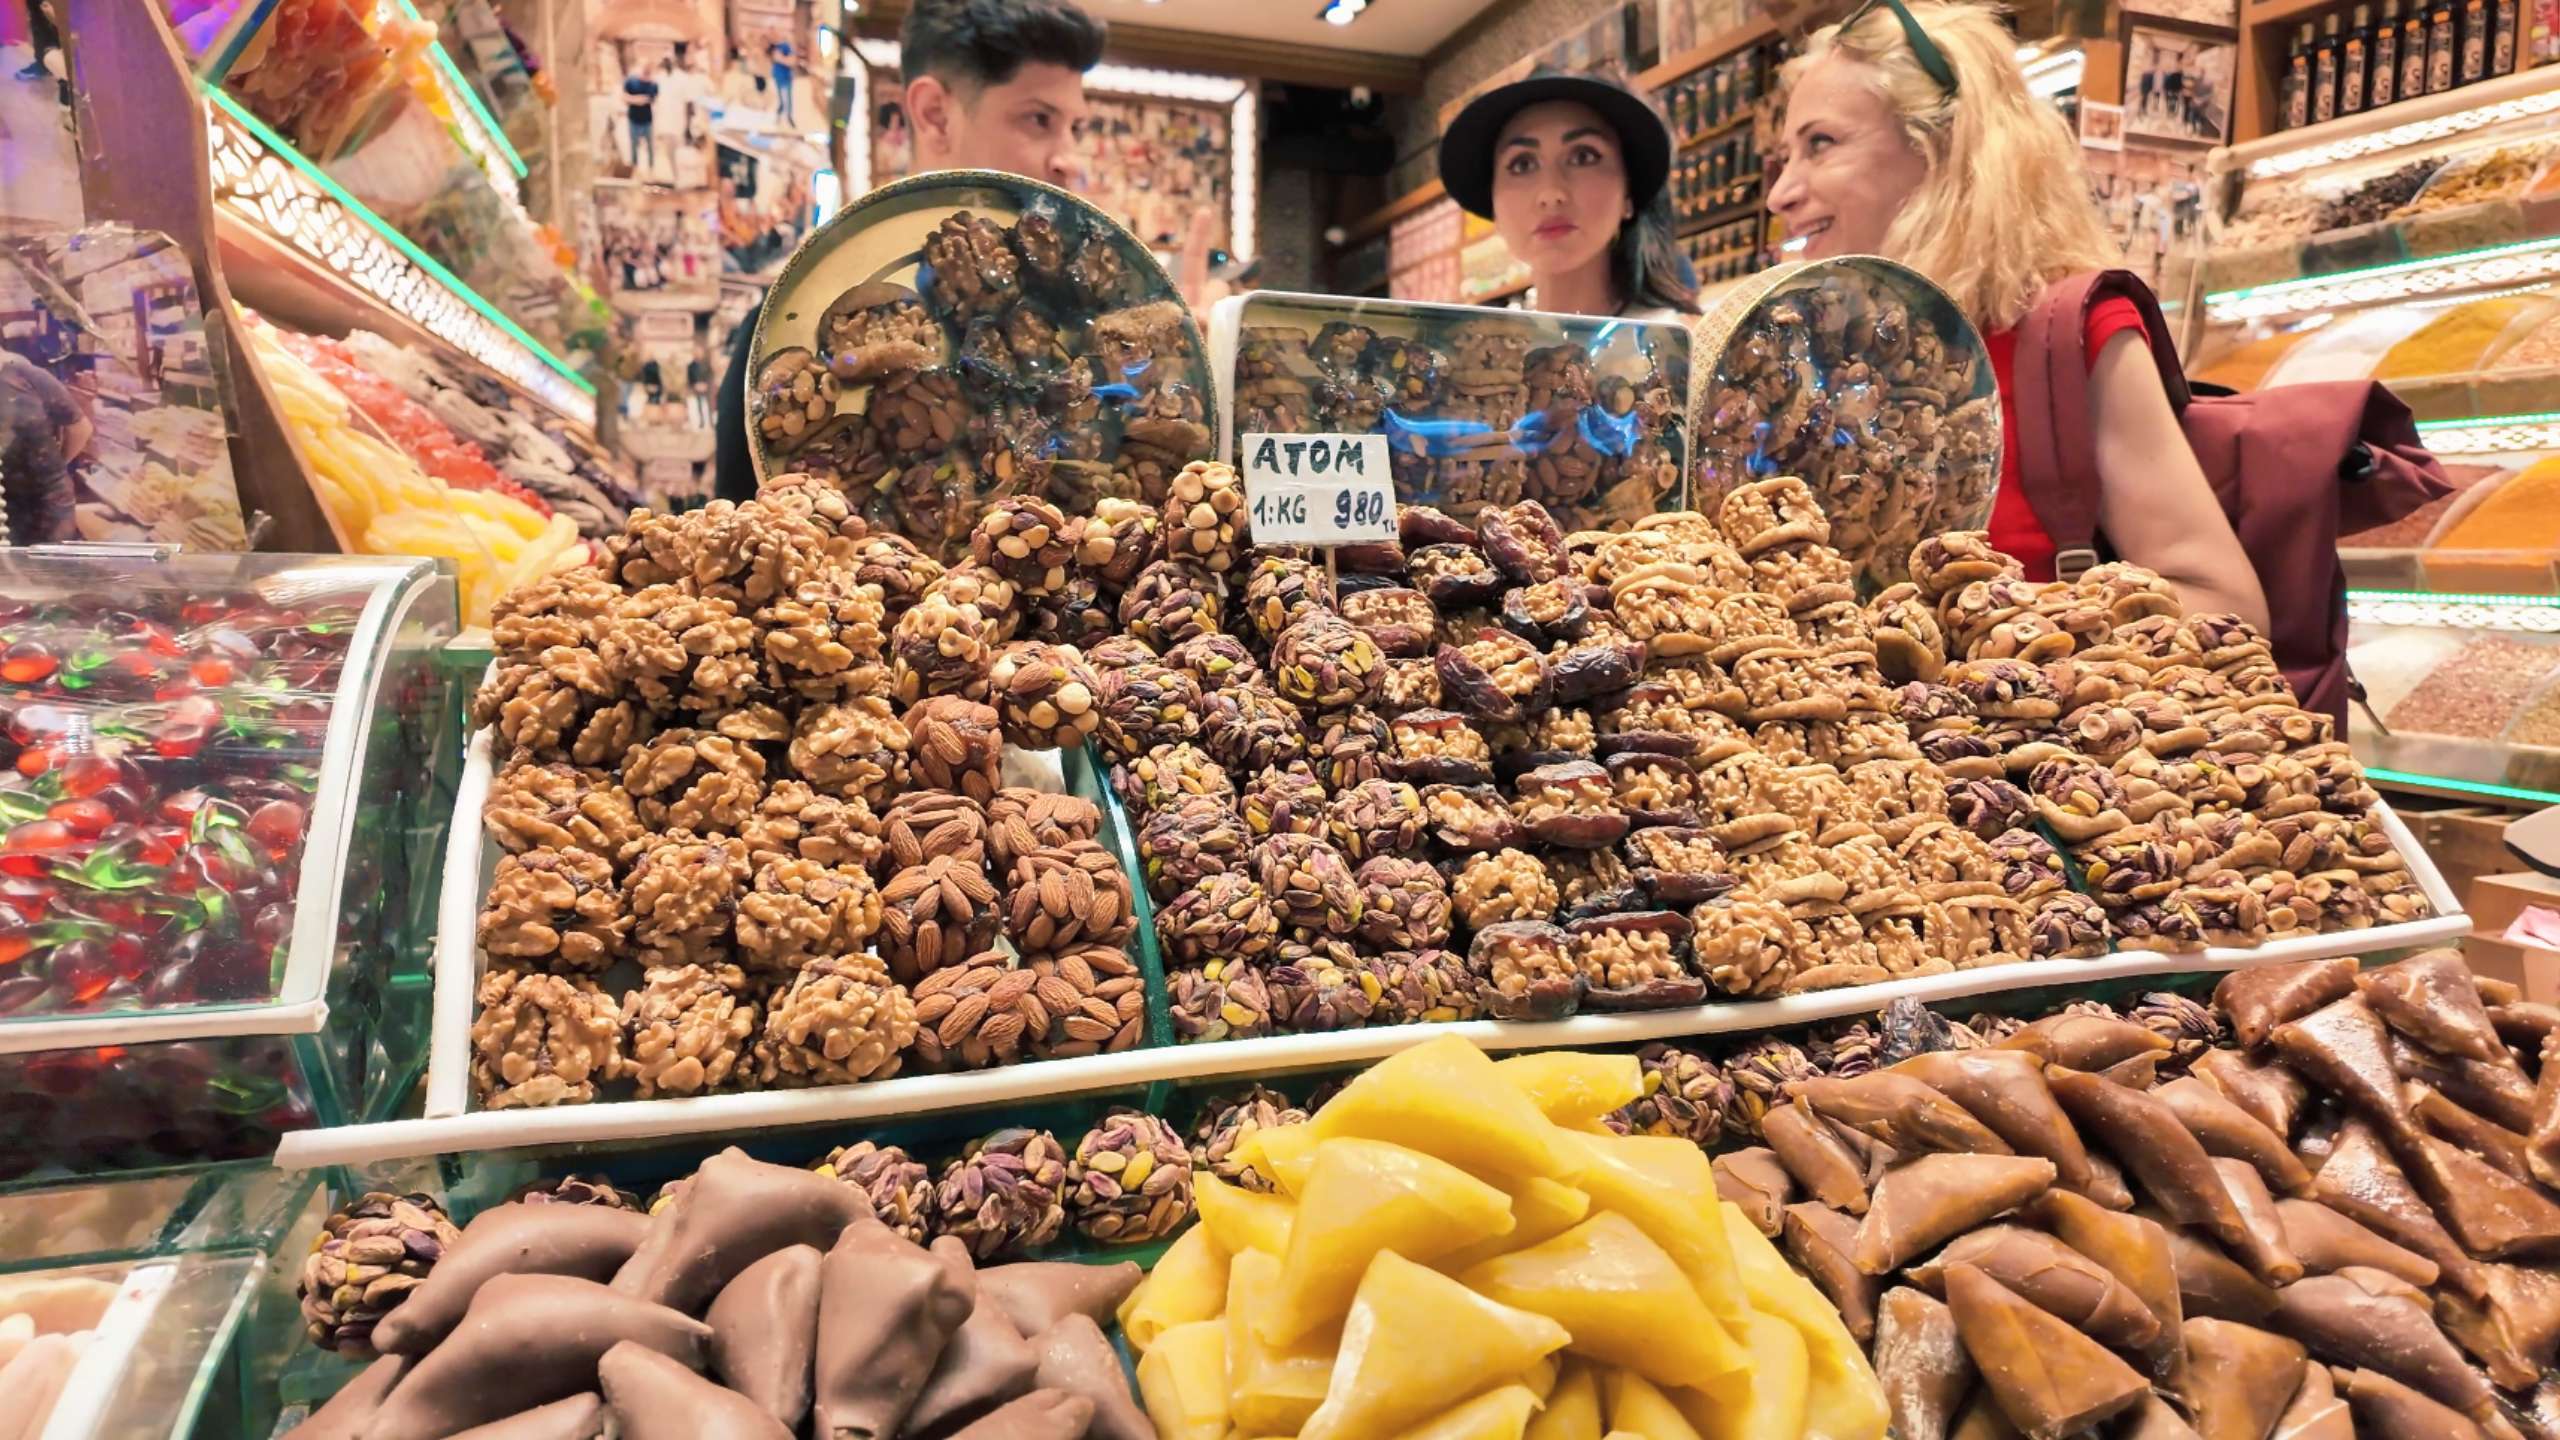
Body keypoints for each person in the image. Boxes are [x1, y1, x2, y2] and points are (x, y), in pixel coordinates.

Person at [1767, 0, 2269, 630]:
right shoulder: (1820, 365)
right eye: (1786, 154)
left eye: (1821, 144)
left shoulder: (2065, 336)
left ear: (1942, 145)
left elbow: (2224, 601)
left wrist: (1996, 619)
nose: (1779, 192)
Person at [712, 0, 1106, 500]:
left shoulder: (1074, 333)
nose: (1069, 159)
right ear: (935, 115)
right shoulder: (778, 337)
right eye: (1038, 119)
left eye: (1077, 128)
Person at [1435, 67, 1701, 322]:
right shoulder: (1481, 358)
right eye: (1522, 164)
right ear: (1493, 203)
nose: (1551, 193)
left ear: (1628, 193)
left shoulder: (1687, 352)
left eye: (1583, 157)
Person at [622, 52, 660, 175]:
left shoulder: (653, 84)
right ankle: (635, 170)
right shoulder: (631, 81)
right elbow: (624, 97)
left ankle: (651, 170)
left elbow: (650, 99)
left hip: (647, 120)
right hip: (633, 119)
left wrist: (634, 99)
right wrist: (638, 99)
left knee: (650, 148)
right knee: (634, 147)